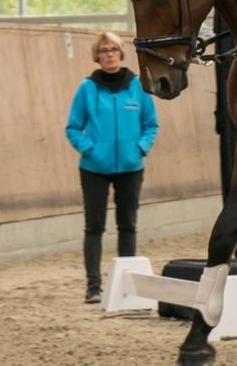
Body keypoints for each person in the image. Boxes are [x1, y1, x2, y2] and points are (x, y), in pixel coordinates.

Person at [65, 32, 159, 304]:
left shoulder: (138, 87)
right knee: (94, 227)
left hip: (131, 167)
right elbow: (72, 127)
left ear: (121, 53)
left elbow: (150, 124)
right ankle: (93, 286)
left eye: (113, 49)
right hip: (94, 168)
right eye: (103, 50)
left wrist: (140, 147)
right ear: (97, 56)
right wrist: (90, 149)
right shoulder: (87, 88)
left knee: (127, 225)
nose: (109, 54)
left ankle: (126, 282)